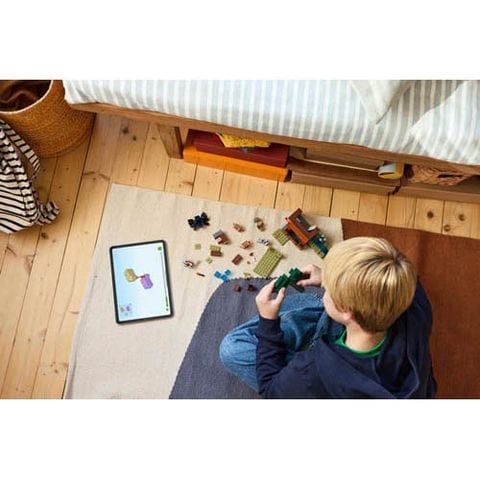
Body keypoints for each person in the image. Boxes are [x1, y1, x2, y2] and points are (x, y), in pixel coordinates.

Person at [219, 236, 437, 399]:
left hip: (328, 377)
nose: (325, 289)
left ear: (346, 310)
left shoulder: (312, 370)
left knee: (232, 348)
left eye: (329, 290)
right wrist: (334, 280)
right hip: (382, 366)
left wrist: (268, 322)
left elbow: (271, 391)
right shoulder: (416, 305)